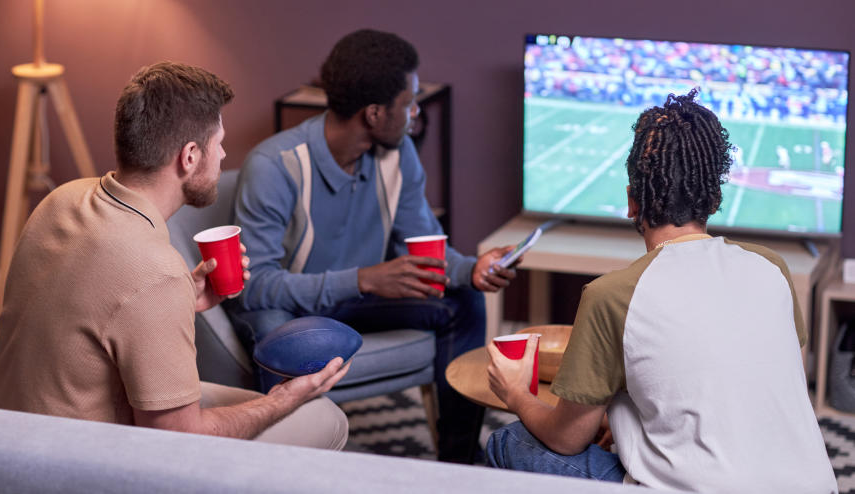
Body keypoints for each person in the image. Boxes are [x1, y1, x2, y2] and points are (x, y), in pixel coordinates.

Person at [485, 89, 836, 492]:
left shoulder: (612, 295)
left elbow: (567, 439)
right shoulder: (773, 266)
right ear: (715, 198)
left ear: (632, 202)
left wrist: (515, 394)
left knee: (509, 441)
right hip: (814, 487)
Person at [0, 62, 350, 450]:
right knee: (325, 418)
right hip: (75, 465)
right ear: (190, 156)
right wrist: (282, 400)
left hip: (13, 433)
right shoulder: (154, 272)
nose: (224, 153)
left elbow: (97, 306)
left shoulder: (61, 200)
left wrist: (184, 296)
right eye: (219, 143)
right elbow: (179, 438)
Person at [234, 29, 517, 463]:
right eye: (409, 102)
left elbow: (422, 245)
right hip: (292, 311)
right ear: (373, 113)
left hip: (357, 302)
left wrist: (471, 270)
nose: (415, 112)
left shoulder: (398, 153)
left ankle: (459, 463)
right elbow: (255, 287)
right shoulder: (274, 166)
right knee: (280, 335)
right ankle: (287, 467)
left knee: (465, 302)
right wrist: (364, 279)